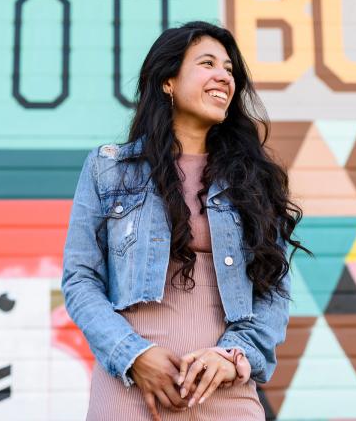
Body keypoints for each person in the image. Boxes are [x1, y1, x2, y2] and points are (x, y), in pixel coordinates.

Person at [61, 21, 312, 421]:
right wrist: (133, 354)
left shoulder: (254, 179)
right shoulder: (109, 168)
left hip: (225, 390)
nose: (223, 77)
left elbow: (273, 291)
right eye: (207, 63)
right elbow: (80, 279)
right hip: (132, 387)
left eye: (229, 70)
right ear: (168, 82)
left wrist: (233, 357)